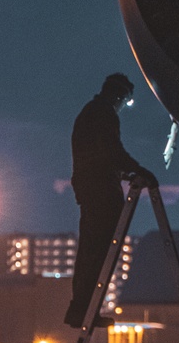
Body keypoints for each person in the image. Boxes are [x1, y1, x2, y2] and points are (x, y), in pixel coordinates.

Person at [65, 72, 157, 328]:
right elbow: (111, 151)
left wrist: (125, 171)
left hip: (91, 187)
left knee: (90, 252)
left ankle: (81, 309)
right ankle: (85, 310)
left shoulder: (90, 112)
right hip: (100, 190)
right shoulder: (103, 114)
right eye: (124, 100)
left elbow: (102, 155)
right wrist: (138, 170)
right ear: (119, 95)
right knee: (99, 254)